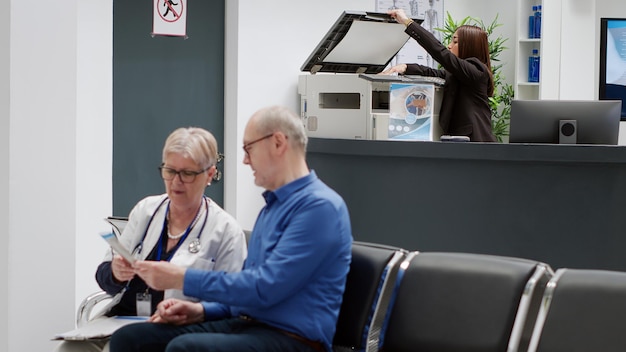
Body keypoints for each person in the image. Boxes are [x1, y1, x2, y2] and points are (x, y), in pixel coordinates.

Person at [109, 105, 353, 352]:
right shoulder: (272, 208)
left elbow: (263, 288)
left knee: (186, 348)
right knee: (130, 339)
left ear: (278, 143)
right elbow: (246, 290)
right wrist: (201, 310)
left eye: (249, 149)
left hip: (294, 340)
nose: (246, 160)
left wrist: (181, 278)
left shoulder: (320, 208)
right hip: (249, 324)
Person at [55, 127, 248, 352]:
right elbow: (104, 276)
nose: (176, 181)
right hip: (122, 320)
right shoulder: (146, 210)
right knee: (68, 349)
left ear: (208, 174)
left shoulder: (225, 230)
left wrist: (193, 308)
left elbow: (233, 303)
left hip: (175, 328)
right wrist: (116, 273)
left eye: (187, 173)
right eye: (169, 170)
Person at [382, 8, 497, 142]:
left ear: (469, 45)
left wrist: (407, 22)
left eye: (455, 41)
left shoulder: (477, 71)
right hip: (462, 143)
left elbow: (439, 52)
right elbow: (435, 73)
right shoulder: (462, 75)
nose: (449, 46)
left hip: (476, 144)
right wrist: (405, 67)